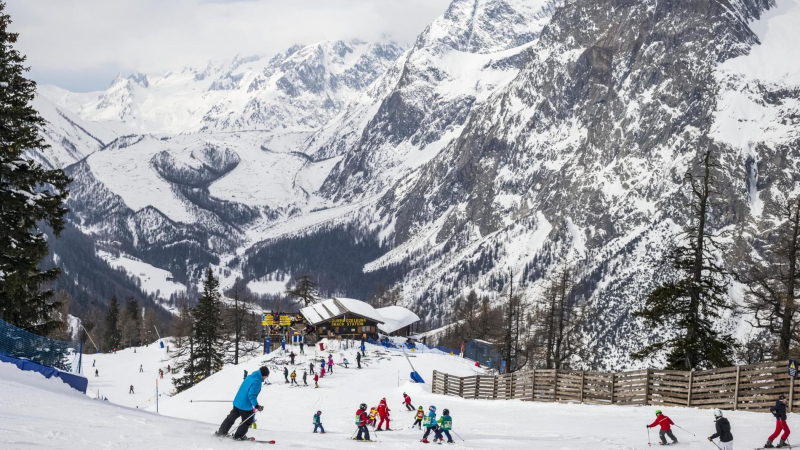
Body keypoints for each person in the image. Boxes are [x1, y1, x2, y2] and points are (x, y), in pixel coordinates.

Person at [215, 366, 269, 441]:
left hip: (237, 402)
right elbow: (252, 395)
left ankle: (221, 432)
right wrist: (256, 406)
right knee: (247, 421)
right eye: (266, 376)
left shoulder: (250, 376)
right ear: (264, 375)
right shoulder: (257, 381)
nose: (265, 378)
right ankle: (238, 436)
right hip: (245, 405)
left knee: (231, 418)